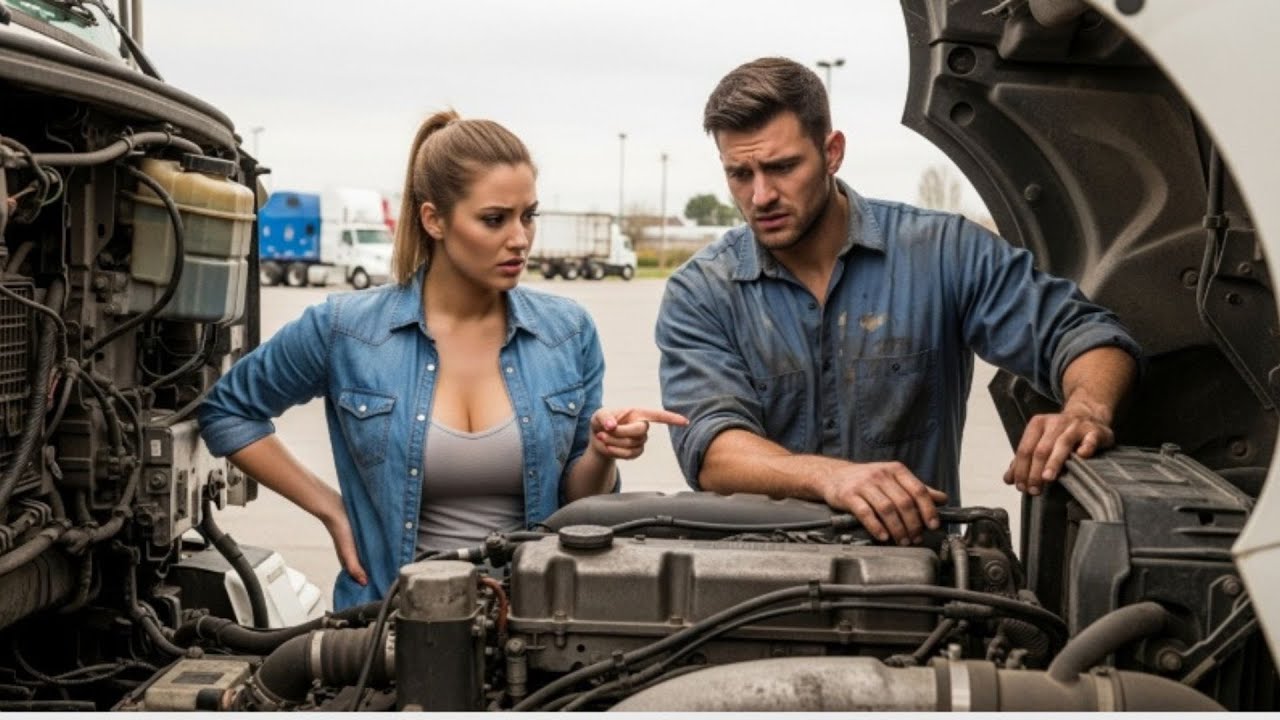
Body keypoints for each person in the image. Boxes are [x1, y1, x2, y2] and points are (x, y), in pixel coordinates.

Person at [200, 110, 686, 608]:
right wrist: (331, 508)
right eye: (495, 219)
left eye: (528, 215)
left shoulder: (567, 332)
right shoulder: (346, 329)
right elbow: (229, 411)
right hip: (388, 624)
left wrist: (602, 451)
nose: (519, 238)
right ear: (434, 219)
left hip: (531, 625)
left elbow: (578, 505)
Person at [656, 57, 1140, 547]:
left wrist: (1086, 407)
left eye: (782, 167)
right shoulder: (701, 292)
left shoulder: (944, 252)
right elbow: (712, 448)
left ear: (832, 152)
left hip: (920, 589)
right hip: (761, 588)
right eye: (740, 173)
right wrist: (831, 478)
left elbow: (1087, 336)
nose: (760, 195)